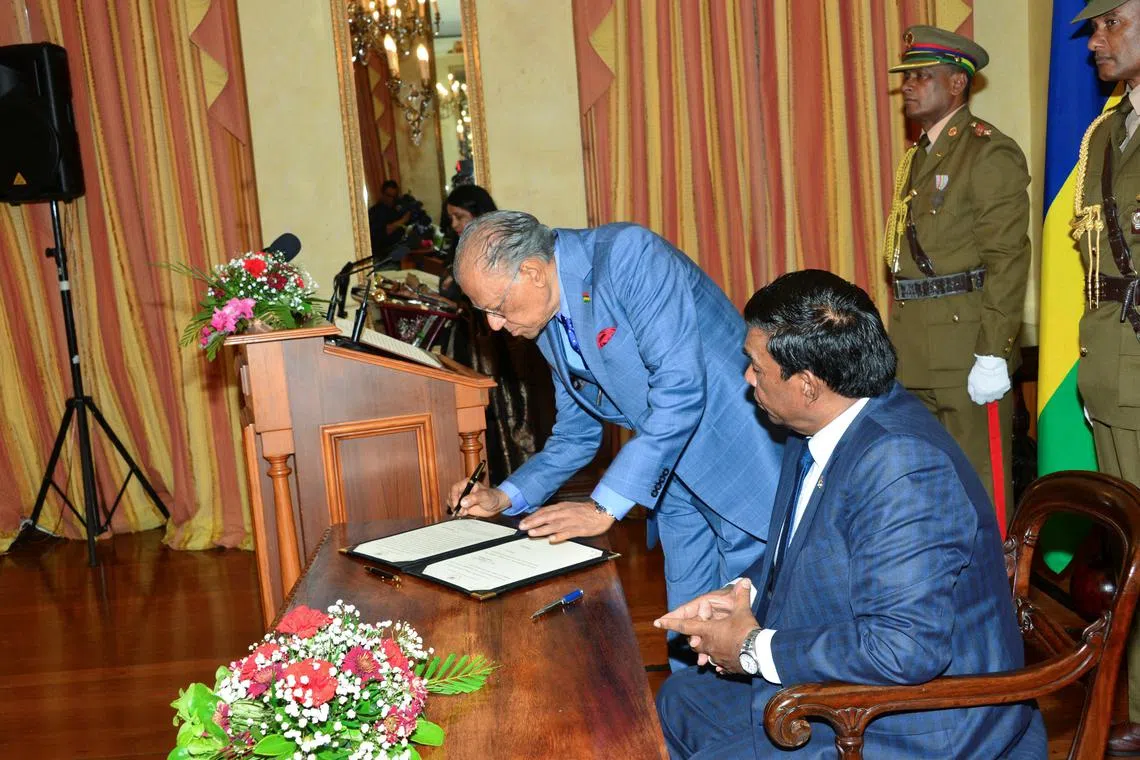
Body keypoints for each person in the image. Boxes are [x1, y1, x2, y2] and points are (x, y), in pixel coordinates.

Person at [653, 269, 1045, 758]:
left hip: (917, 722)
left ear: (809, 384)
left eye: (756, 366)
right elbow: (802, 551)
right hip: (858, 686)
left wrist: (754, 649)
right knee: (680, 698)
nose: (748, 377)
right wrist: (740, 595)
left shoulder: (901, 464)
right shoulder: (821, 425)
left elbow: (905, 650)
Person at [448, 211, 784, 662]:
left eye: (495, 306)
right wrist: (504, 497)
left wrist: (603, 505)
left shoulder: (628, 257)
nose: (492, 324)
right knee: (688, 631)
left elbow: (681, 391)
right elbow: (576, 433)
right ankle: (689, 729)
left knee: (748, 630)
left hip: (734, 460)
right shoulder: (547, 319)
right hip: (669, 479)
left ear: (531, 271)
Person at [881, 25, 1031, 512]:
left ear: (956, 84)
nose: (907, 85)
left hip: (967, 349)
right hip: (916, 351)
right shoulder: (918, 157)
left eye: (921, 76)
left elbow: (1007, 258)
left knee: (979, 490)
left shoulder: (988, 152)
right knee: (927, 489)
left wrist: (992, 352)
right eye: (907, 76)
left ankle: (992, 589)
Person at [1069, 1, 1140, 753]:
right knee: (1134, 551)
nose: (1097, 40)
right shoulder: (1106, 133)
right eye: (1093, 27)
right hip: (1114, 369)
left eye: (1113, 21)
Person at [439, 187, 555, 484]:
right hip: (471, 341)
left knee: (510, 411)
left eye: (459, 216)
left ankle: (520, 480)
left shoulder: (505, 257)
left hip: (502, 347)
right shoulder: (457, 250)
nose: (453, 225)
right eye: (450, 217)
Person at [367, 179, 410, 257]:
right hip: (384, 255)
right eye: (388, 196)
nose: (391, 199)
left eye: (394, 196)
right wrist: (403, 220)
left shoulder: (397, 208)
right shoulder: (374, 211)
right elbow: (384, 231)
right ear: (382, 194)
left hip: (401, 249)